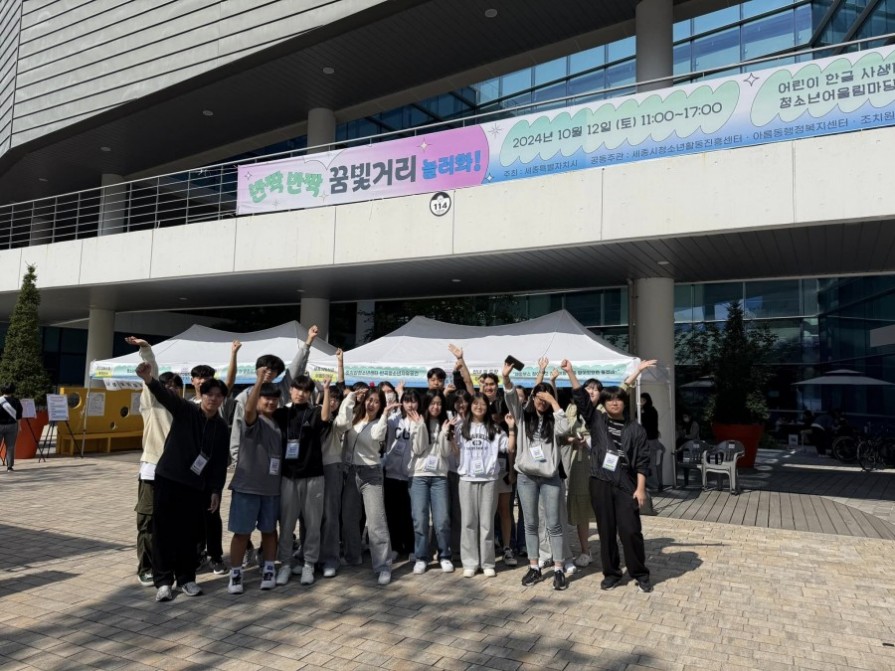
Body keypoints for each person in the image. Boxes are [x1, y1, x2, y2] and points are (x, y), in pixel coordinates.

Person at [135, 361, 230, 603]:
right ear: (202, 395)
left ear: (222, 399)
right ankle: (163, 582)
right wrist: (148, 379)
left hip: (196, 487)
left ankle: (187, 578)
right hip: (169, 478)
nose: (213, 399)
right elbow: (165, 396)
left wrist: (215, 490)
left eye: (218, 395)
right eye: (209, 394)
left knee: (190, 534)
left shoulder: (221, 427)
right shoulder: (186, 410)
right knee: (164, 532)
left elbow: (219, 463)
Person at [563, 359, 653, 593]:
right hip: (600, 481)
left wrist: (640, 488)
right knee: (606, 530)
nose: (614, 402)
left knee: (630, 530)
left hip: (626, 484)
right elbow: (582, 399)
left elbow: (643, 461)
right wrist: (570, 372)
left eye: (618, 399)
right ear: (604, 403)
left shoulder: (635, 429)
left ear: (624, 402)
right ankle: (612, 573)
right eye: (610, 399)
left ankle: (639, 573)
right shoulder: (597, 420)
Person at [503, 362, 571, 591]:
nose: (541, 402)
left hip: (550, 477)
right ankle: (534, 566)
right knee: (530, 524)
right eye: (538, 397)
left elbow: (565, 429)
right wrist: (506, 378)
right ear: (532, 398)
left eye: (545, 398)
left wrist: (553, 401)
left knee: (554, 524)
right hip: (526, 477)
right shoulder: (523, 417)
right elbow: (511, 398)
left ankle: (559, 569)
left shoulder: (553, 420)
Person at [125, 336, 184, 587]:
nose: (172, 389)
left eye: (176, 386)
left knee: (172, 522)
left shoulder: (184, 411)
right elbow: (152, 376)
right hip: (152, 472)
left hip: (177, 475)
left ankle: (168, 564)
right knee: (148, 522)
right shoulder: (152, 404)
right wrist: (146, 350)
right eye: (167, 385)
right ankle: (146, 567)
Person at [226, 371, 284, 594]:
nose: (271, 402)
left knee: (269, 531)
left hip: (272, 490)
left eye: (274, 399)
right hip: (246, 488)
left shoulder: (278, 424)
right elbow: (249, 410)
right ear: (258, 399)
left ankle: (269, 568)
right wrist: (259, 381)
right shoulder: (252, 420)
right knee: (242, 533)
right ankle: (235, 573)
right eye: (266, 398)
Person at [273, 374, 333, 586]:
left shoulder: (314, 412)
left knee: (313, 523)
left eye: (306, 390)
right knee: (286, 524)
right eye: (297, 389)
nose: (301, 393)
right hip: (288, 476)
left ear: (310, 394)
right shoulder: (282, 413)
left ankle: (309, 564)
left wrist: (326, 390)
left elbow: (325, 418)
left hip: (313, 476)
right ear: (290, 390)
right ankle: (286, 564)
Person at [336, 386, 393, 585]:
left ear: (381, 405)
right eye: (369, 400)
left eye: (376, 401)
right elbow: (341, 421)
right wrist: (352, 396)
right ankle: (353, 556)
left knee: (376, 521)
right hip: (352, 472)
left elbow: (378, 436)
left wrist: (385, 415)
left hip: (371, 474)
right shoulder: (355, 419)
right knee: (349, 517)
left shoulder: (380, 423)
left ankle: (383, 566)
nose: (371, 404)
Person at [453, 392, 512, 578]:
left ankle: (487, 562)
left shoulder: (495, 428)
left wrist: (511, 429)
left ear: (487, 407)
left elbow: (509, 447)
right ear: (470, 406)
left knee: (487, 522)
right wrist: (449, 436)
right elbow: (454, 451)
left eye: (483, 404)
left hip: (489, 480)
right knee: (468, 522)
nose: (479, 407)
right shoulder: (461, 427)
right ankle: (470, 562)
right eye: (475, 403)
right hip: (467, 479)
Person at [409, 391, 456, 574]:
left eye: (439, 404)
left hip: (439, 477)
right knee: (420, 519)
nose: (436, 407)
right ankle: (421, 557)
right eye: (432, 403)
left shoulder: (446, 423)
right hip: (419, 475)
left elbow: (445, 453)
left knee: (442, 519)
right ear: (426, 404)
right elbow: (418, 449)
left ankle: (444, 555)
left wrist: (444, 432)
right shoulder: (418, 421)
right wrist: (420, 426)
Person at [383, 386, 421, 558]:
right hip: (392, 473)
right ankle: (395, 546)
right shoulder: (394, 419)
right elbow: (382, 427)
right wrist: (387, 410)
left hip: (411, 474)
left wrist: (419, 424)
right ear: (402, 402)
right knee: (392, 512)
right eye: (407, 401)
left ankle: (412, 547)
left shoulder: (421, 420)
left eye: (414, 401)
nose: (410, 405)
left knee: (409, 513)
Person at [319, 350, 347, 578]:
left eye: (336, 399)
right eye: (330, 397)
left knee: (330, 515)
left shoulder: (339, 420)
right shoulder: (314, 414)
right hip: (311, 469)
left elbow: (341, 388)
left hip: (332, 467)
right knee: (311, 515)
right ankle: (310, 555)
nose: (333, 401)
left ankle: (330, 558)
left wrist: (340, 363)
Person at [640, 392, 664, 491]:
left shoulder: (649, 411)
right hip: (651, 440)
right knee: (651, 464)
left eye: (642, 400)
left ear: (646, 401)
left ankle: (654, 485)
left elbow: (646, 424)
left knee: (650, 464)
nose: (640, 402)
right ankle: (655, 484)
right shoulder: (650, 410)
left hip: (650, 441)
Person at [0, 383, 23, 472]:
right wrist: (19, 426)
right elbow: (19, 416)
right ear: (13, 390)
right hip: (12, 426)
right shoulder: (16, 401)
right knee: (10, 446)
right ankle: (9, 467)